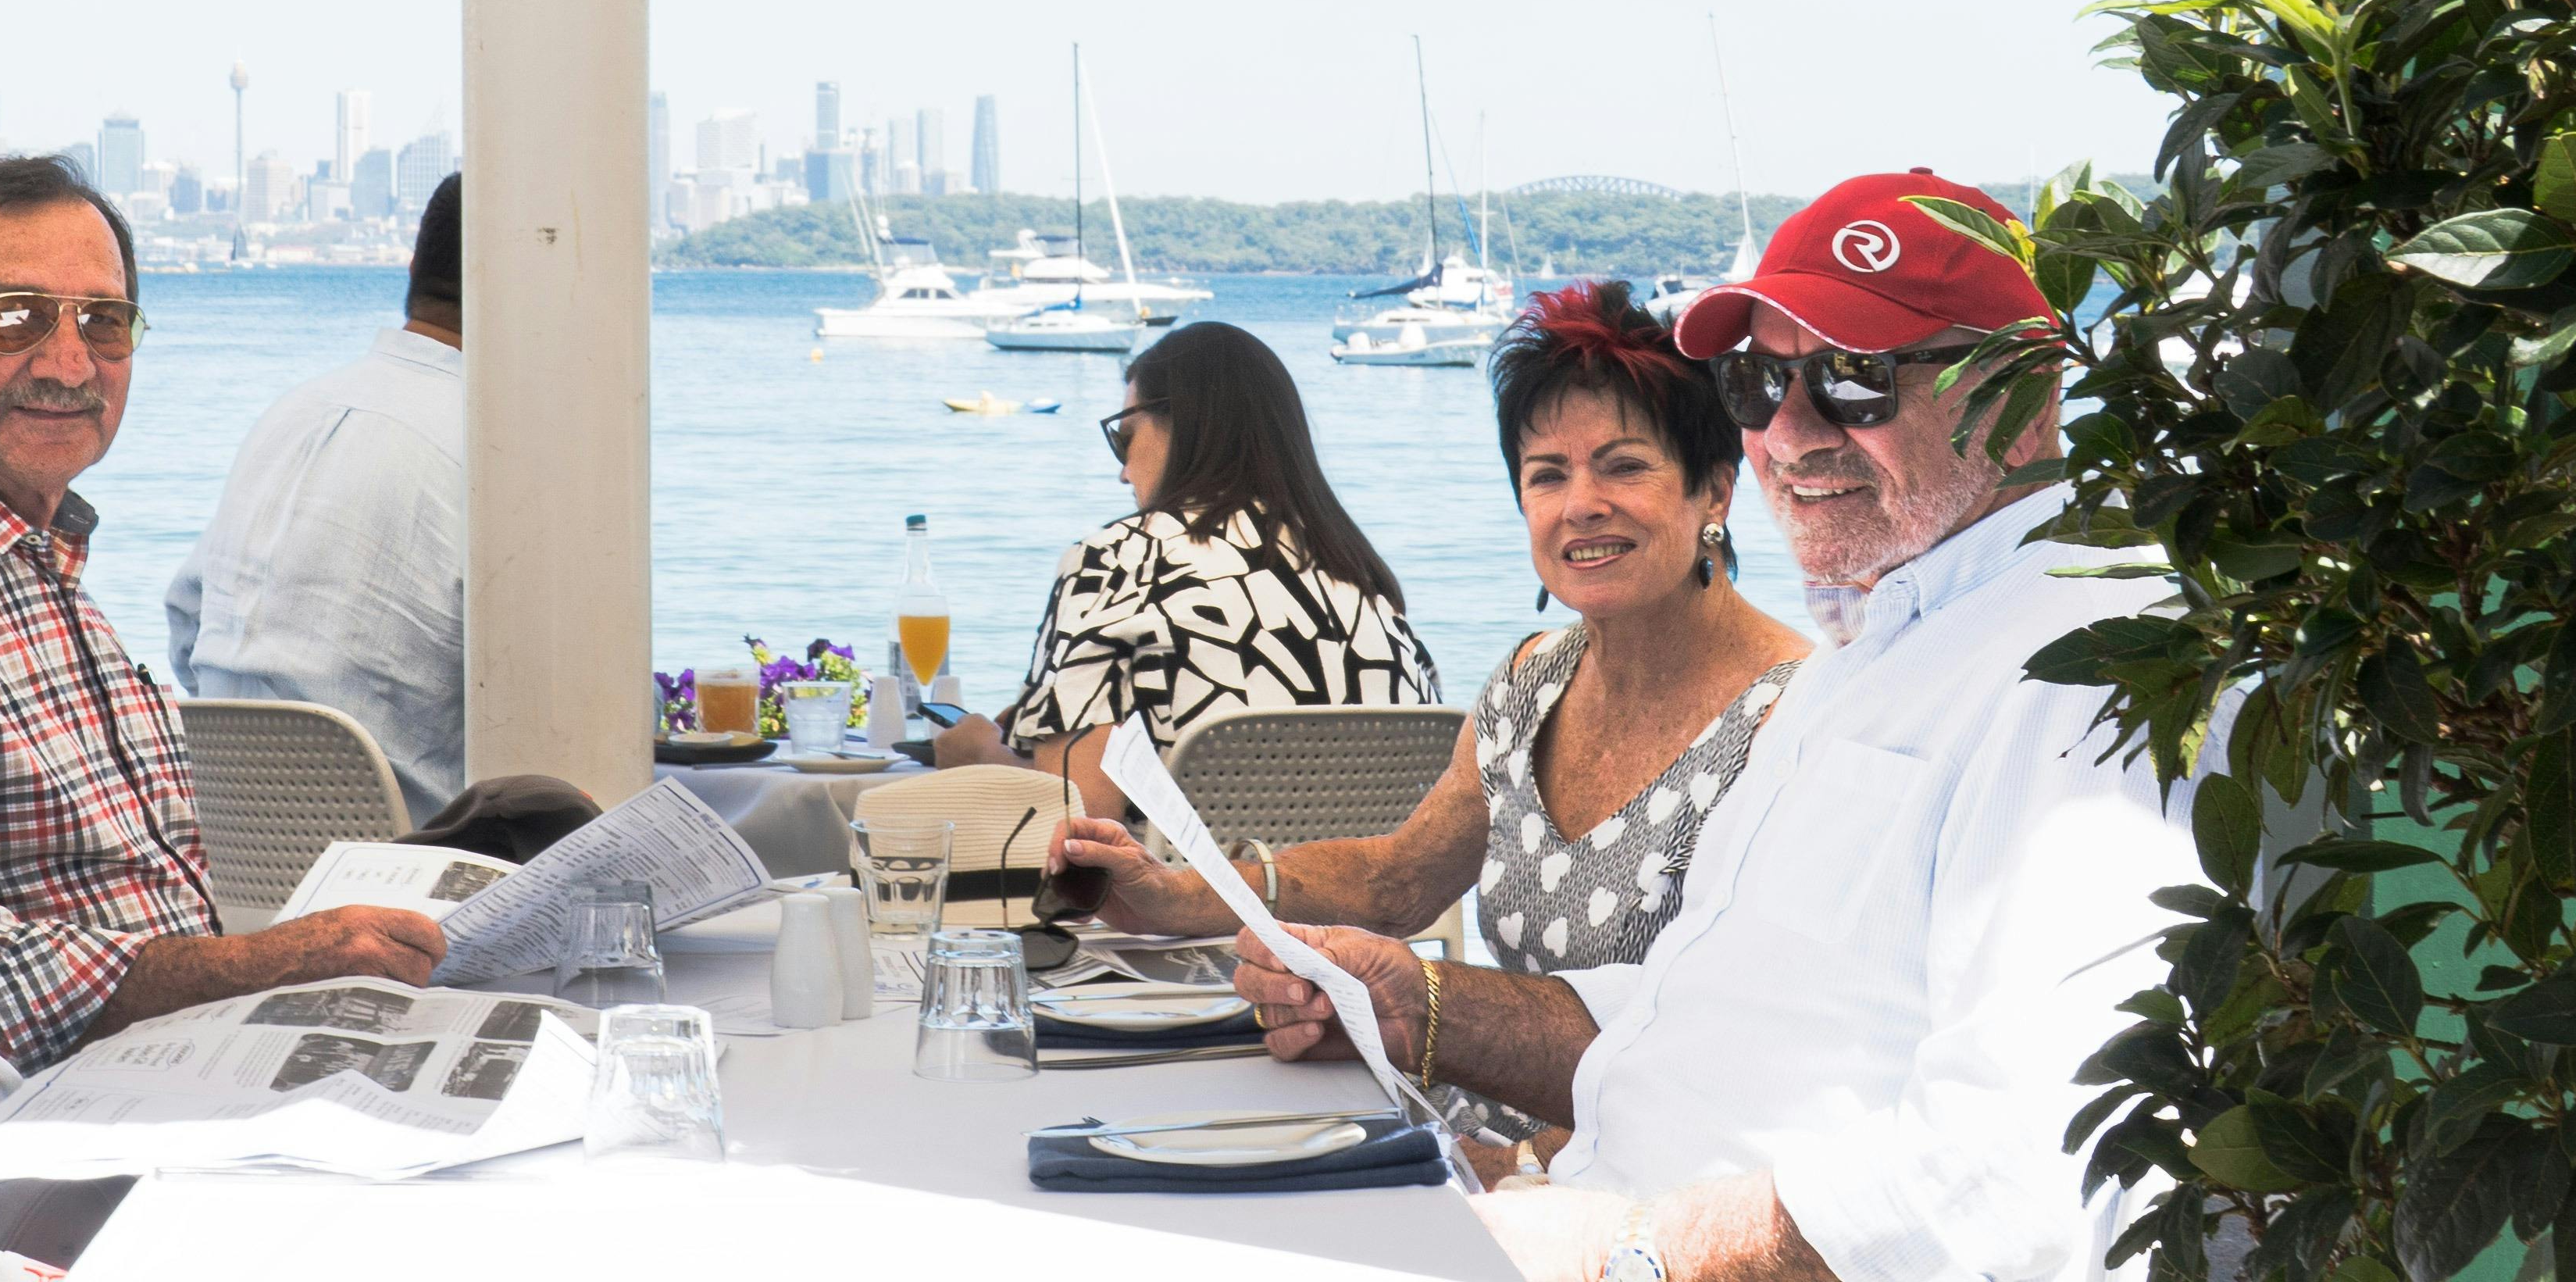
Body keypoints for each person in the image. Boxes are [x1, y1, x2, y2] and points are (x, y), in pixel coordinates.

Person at [1226, 170, 2211, 1282]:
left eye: (1853, 378)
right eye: (1756, 382)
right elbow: (1703, 1009)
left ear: (2025, 398)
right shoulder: (1881, 645)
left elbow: (2039, 1164)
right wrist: (1426, 1006)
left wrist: (1630, 1249)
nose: (1789, 433)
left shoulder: (2095, 667)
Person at [1043, 281, 1809, 1152]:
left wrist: (1500, 1166)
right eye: (1546, 474)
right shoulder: (1534, 678)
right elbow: (1396, 882)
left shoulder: (1792, 719)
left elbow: (1751, 1061)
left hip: (1632, 1175)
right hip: (1469, 1132)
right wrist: (1176, 897)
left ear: (1715, 491)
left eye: (1624, 465)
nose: (1579, 504)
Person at [0, 156, 441, 1076]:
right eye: (15, 318)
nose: (69, 363)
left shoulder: (39, 562)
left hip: (200, 1067)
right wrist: (249, 969)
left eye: (106, 323)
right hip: (65, 1123)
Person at [933, 320, 1436, 819]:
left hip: (1197, 897)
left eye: (1125, 437)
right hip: (1367, 899)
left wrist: (980, 753)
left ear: (1186, 425)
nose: (1123, 472)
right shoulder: (1367, 589)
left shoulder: (1119, 560)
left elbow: (1078, 817)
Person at [167, 171, 467, 820]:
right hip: (427, 882)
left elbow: (188, 623)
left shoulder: (293, 412)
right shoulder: (504, 455)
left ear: (413, 270)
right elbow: (589, 722)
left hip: (238, 863)